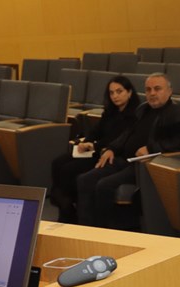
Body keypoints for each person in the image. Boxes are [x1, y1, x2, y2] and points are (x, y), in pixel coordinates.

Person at [77, 71, 180, 228]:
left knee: (104, 185)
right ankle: (85, 228)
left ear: (169, 91)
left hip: (141, 164)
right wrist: (111, 148)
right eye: (148, 89)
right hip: (123, 159)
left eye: (157, 89)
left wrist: (151, 148)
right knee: (84, 180)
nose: (152, 93)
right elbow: (127, 134)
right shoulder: (143, 109)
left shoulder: (175, 112)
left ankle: (105, 231)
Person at [50, 75, 138, 219]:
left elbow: (118, 139)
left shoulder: (135, 115)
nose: (115, 96)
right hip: (95, 149)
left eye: (119, 91)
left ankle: (66, 206)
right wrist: (86, 141)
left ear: (129, 92)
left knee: (68, 169)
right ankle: (64, 203)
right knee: (57, 162)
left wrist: (94, 145)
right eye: (111, 93)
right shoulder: (110, 111)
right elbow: (97, 130)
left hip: (109, 154)